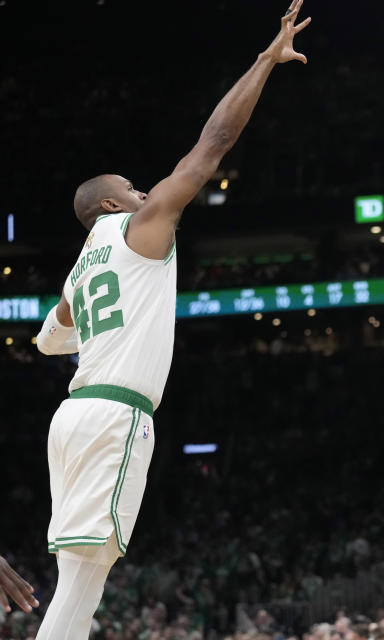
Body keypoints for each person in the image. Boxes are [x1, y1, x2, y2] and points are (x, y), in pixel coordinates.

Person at [31, 4, 311, 638]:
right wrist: (266, 60)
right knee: (83, 581)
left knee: (78, 576)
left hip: (71, 418)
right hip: (113, 415)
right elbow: (212, 146)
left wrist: (73, 336)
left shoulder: (81, 268)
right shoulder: (138, 228)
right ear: (110, 203)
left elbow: (51, 338)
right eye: (130, 186)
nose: (142, 190)